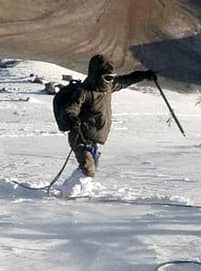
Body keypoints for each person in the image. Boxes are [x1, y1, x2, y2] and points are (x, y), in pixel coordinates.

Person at [59, 54, 156, 195]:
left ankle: (76, 190)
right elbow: (70, 109)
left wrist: (145, 75)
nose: (110, 81)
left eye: (111, 77)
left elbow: (126, 79)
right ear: (96, 76)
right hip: (80, 136)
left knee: (90, 170)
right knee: (88, 168)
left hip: (95, 138)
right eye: (107, 78)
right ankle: (68, 193)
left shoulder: (109, 87)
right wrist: (72, 119)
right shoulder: (84, 92)